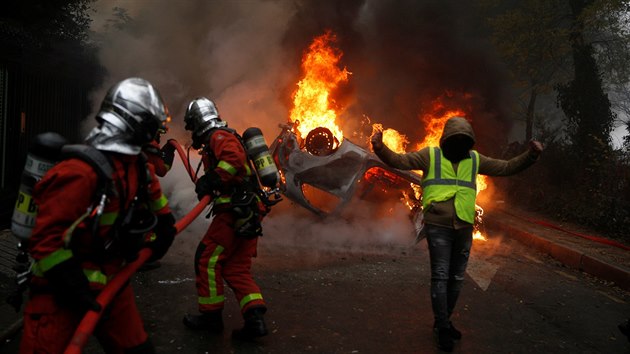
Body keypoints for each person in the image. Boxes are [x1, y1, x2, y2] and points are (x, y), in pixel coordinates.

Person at [20, 77, 177, 354]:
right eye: (152, 127)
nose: (155, 136)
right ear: (133, 123)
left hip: (112, 282)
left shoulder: (136, 165)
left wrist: (164, 224)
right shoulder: (79, 173)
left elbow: (156, 198)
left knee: (138, 349)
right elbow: (45, 239)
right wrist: (70, 281)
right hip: (60, 292)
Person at [371, 116, 543, 352]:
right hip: (438, 226)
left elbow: (506, 167)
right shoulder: (430, 156)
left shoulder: (473, 159)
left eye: (464, 141)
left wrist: (531, 156)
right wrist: (379, 148)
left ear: (469, 142)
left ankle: (444, 321)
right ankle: (442, 328)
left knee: (457, 279)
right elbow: (399, 161)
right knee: (441, 276)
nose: (460, 144)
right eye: (456, 140)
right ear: (446, 140)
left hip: (464, 226)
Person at [182, 97, 269, 339]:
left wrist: (213, 179)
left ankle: (211, 319)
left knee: (207, 258)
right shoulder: (220, 137)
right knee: (236, 268)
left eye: (191, 126)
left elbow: (233, 160)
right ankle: (255, 321)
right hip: (249, 211)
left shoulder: (218, 137)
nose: (192, 134)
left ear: (198, 122)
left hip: (235, 212)